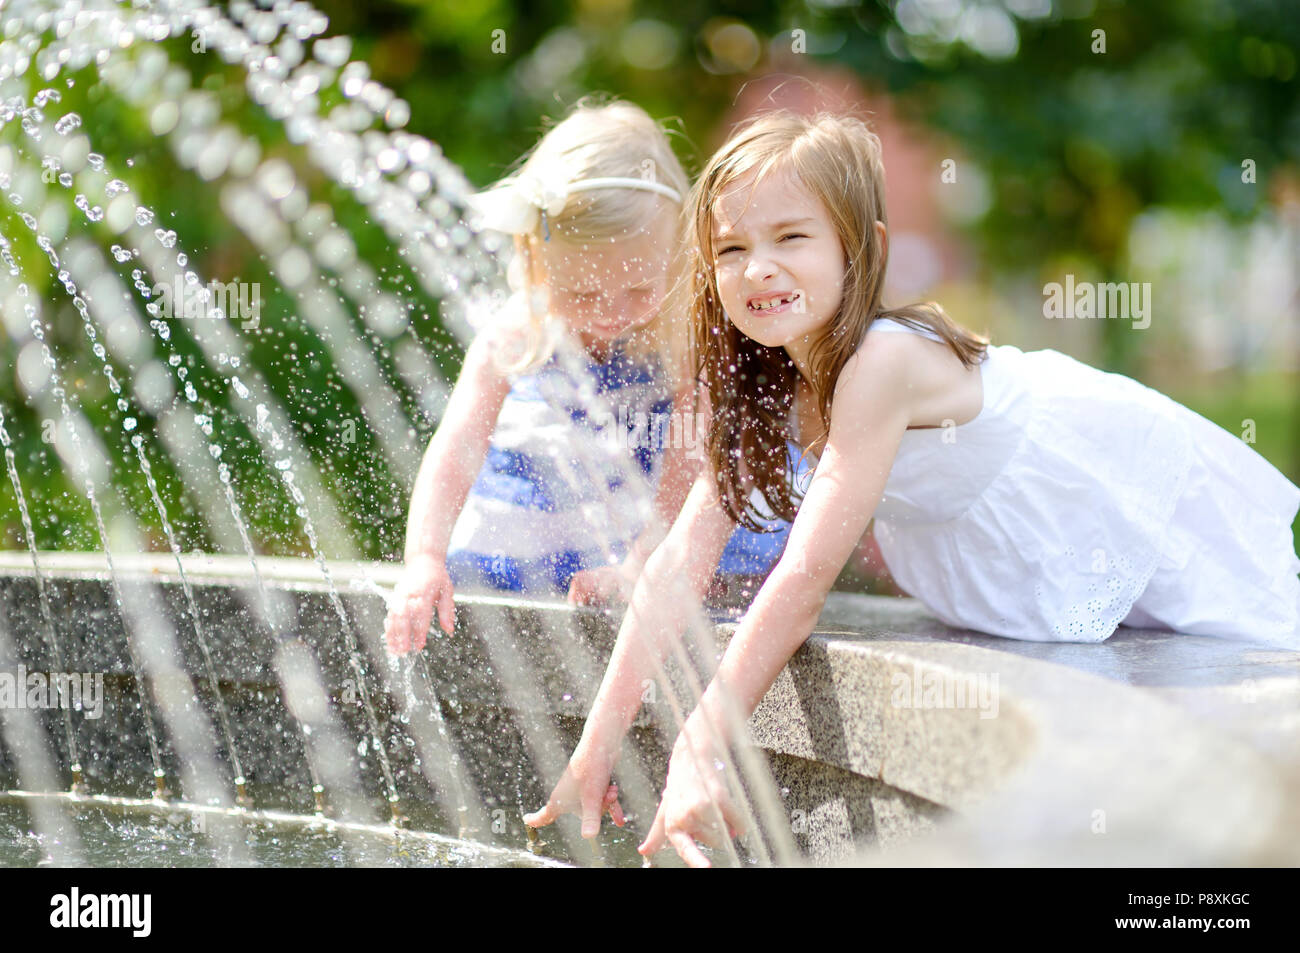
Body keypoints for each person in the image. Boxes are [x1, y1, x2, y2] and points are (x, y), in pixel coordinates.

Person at [524, 110, 1300, 865]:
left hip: (1093, 475)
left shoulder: (881, 361)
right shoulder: (767, 384)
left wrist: (703, 745)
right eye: (731, 247)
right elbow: (674, 565)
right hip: (1001, 524)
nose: (758, 266)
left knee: (1246, 650)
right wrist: (595, 750)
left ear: (860, 247)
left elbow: (801, 578)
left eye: (791, 236)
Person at [384, 99, 787, 656]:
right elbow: (458, 444)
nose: (611, 312)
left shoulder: (683, 335)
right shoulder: (518, 330)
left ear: (676, 257)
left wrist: (642, 566)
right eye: (580, 293)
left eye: (639, 289)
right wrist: (425, 558)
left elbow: (692, 460)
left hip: (649, 525)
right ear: (533, 260)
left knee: (717, 563)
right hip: (536, 525)